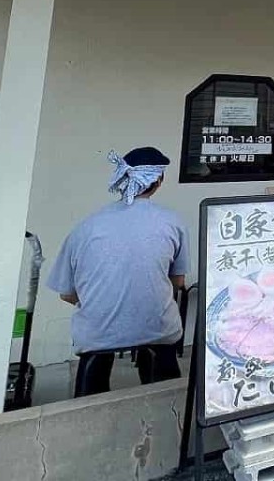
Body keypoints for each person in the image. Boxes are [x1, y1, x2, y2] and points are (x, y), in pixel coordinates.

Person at [48, 146, 190, 396]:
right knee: (161, 359)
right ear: (158, 180)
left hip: (98, 332)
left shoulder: (86, 227)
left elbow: (66, 294)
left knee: (95, 364)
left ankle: (86, 406)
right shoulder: (172, 221)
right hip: (157, 326)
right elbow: (178, 281)